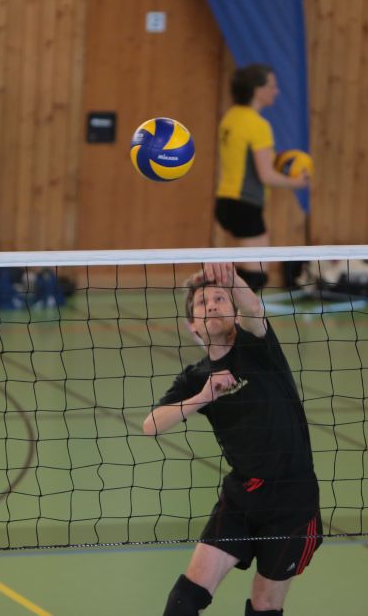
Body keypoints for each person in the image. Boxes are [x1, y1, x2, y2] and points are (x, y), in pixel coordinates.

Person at [143, 262, 321, 616]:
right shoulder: (195, 378)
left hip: (292, 500)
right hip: (242, 496)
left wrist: (231, 279)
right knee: (182, 601)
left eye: (220, 299)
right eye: (202, 303)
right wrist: (203, 397)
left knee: (263, 607)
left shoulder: (258, 346)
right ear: (192, 326)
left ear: (235, 313)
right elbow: (152, 425)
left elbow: (254, 309)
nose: (211, 305)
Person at [214, 64, 309, 292]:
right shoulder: (258, 125)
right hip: (245, 204)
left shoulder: (230, 117)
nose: (276, 91)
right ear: (257, 90)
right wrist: (297, 182)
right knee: (256, 276)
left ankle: (222, 303)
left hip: (226, 201)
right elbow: (265, 175)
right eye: (272, 86)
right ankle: (220, 307)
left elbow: (244, 161)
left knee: (243, 274)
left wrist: (278, 161)